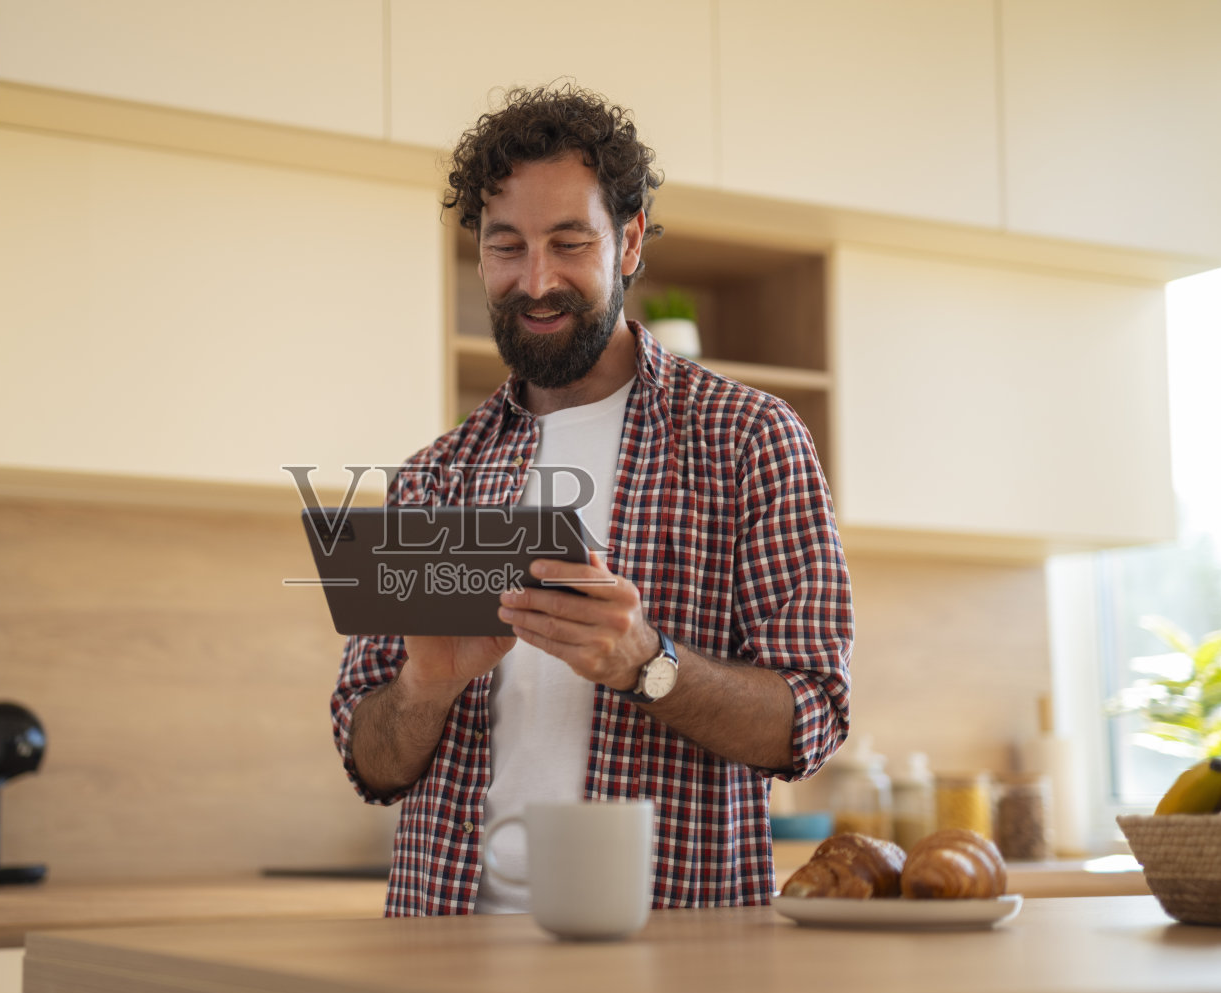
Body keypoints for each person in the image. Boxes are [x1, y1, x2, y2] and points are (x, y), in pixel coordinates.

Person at [328, 84, 852, 916]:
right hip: (445, 951)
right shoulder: (431, 479)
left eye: (570, 242)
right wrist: (424, 689)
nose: (536, 280)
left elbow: (812, 720)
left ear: (630, 241)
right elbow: (370, 762)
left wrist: (650, 664)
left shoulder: (750, 439)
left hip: (669, 955)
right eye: (506, 246)